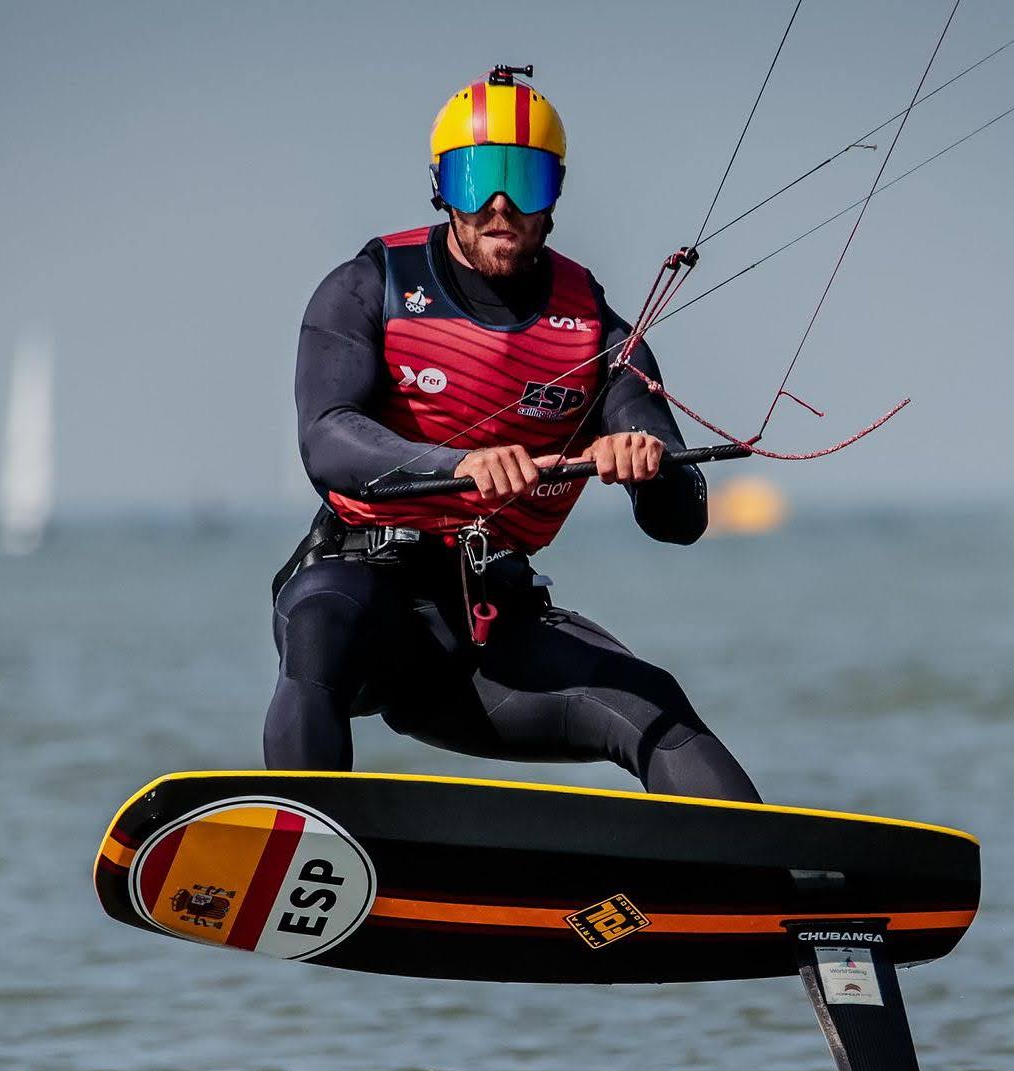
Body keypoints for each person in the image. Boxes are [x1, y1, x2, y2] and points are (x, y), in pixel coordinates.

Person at [264, 65, 759, 803]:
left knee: (656, 708)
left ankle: (757, 896)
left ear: (554, 192)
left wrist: (647, 465)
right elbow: (326, 441)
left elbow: (682, 521)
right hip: (363, 597)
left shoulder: (596, 332)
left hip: (488, 632)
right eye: (476, 180)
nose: (500, 205)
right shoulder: (370, 287)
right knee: (319, 628)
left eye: (524, 181)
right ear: (442, 187)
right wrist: (463, 464)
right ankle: (305, 855)